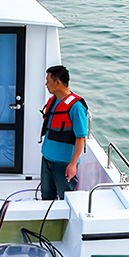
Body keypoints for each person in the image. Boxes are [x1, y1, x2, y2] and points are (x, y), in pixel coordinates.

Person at [39, 65, 88, 200]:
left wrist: (72, 164)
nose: (46, 84)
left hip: (64, 163)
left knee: (66, 198)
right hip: (47, 158)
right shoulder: (53, 100)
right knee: (46, 196)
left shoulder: (76, 107)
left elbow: (81, 137)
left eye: (48, 81)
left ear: (58, 82)